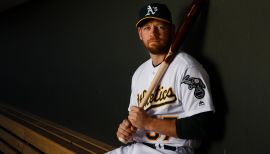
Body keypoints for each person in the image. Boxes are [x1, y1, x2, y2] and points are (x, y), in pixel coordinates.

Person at [106, 2, 214, 154]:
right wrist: (127, 130)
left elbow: (202, 125)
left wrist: (149, 123)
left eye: (160, 27)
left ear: (172, 31)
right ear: (140, 33)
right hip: (137, 147)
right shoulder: (139, 73)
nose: (153, 33)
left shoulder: (187, 68)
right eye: (147, 28)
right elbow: (137, 120)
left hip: (172, 150)